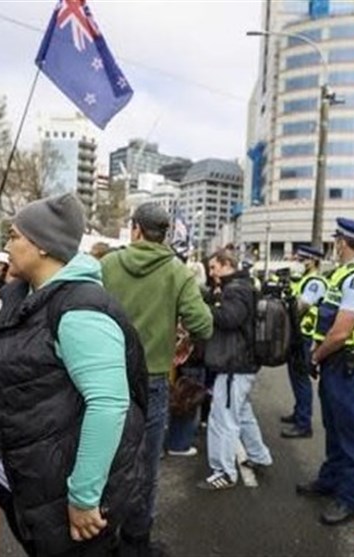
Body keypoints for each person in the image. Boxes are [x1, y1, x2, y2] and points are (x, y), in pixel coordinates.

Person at [0, 194, 147, 556]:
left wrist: (83, 497)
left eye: (14, 236)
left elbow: (108, 404)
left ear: (43, 246)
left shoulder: (78, 307)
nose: (6, 245)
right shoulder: (24, 297)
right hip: (36, 487)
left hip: (66, 499)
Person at [100, 202, 213, 552]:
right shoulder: (177, 272)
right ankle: (137, 540)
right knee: (145, 464)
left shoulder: (107, 264)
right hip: (152, 379)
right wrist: (178, 330)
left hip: (106, 374)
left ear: (135, 229)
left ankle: (103, 535)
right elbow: (203, 324)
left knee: (103, 456)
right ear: (164, 234)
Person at [298, 218, 354, 526]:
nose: (333, 245)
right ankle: (331, 480)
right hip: (336, 362)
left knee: (349, 432)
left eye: (336, 240)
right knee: (334, 426)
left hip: (346, 363)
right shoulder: (344, 274)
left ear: (343, 243)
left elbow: (340, 332)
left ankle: (349, 498)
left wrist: (315, 355)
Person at [198, 249, 272, 490]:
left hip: (234, 364)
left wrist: (203, 310)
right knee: (242, 413)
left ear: (227, 264)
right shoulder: (244, 285)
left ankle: (225, 472)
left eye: (214, 267)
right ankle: (259, 456)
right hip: (242, 364)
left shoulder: (237, 289)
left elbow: (230, 318)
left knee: (223, 418)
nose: (211, 273)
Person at [281, 245, 328, 439]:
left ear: (313, 261)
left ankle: (303, 423)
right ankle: (298, 411)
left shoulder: (315, 281)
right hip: (298, 332)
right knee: (295, 375)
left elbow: (303, 304)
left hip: (306, 334)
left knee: (301, 377)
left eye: (303, 259)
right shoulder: (306, 280)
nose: (300, 262)